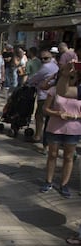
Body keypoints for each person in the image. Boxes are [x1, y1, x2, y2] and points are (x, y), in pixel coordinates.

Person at [40, 62, 81, 199]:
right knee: (52, 154)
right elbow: (45, 109)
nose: (72, 76)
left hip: (73, 128)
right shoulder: (56, 89)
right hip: (55, 127)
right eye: (70, 75)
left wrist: (74, 116)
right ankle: (48, 181)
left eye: (74, 75)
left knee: (69, 157)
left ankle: (64, 184)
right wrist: (57, 114)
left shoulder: (79, 90)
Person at [27, 49, 59, 143]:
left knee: (39, 116)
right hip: (54, 95)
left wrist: (29, 82)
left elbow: (35, 78)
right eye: (41, 59)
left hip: (44, 95)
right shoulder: (55, 65)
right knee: (49, 118)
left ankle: (38, 136)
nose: (43, 60)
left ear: (50, 57)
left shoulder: (45, 67)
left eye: (45, 58)